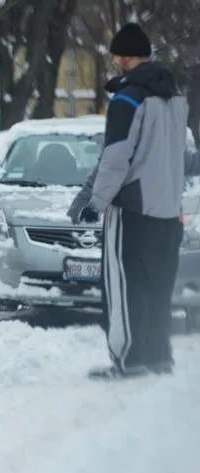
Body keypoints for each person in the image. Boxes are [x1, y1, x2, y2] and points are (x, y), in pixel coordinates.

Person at [67, 23, 200, 379]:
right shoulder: (175, 99)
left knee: (124, 287)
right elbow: (183, 157)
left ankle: (128, 360)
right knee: (158, 288)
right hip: (169, 214)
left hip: (133, 212)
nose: (114, 61)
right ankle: (158, 356)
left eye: (116, 56)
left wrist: (95, 204)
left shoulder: (127, 99)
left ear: (124, 58)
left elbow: (115, 159)